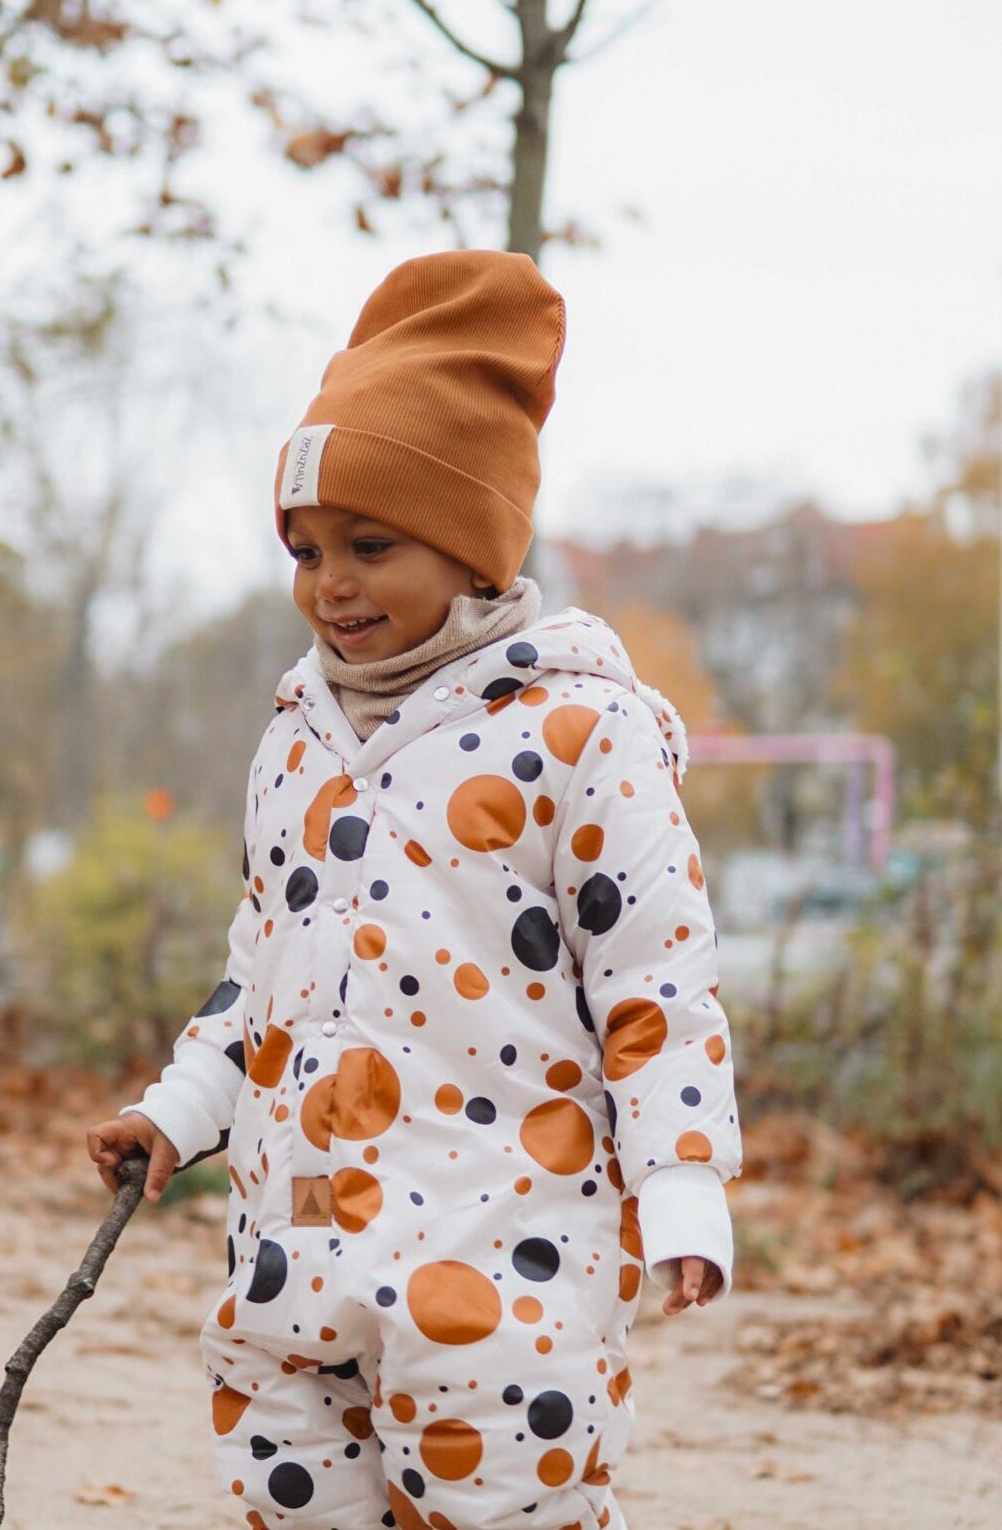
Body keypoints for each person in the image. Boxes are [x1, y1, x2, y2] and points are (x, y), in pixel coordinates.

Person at [88, 249, 742, 1530]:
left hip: (505, 1253)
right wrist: (179, 1110)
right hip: (296, 1243)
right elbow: (263, 963)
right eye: (307, 549)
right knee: (294, 1493)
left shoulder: (580, 735)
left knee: (496, 1505)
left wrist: (682, 1177)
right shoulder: (296, 739)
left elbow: (655, 979)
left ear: (470, 542)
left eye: (371, 545)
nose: (330, 585)